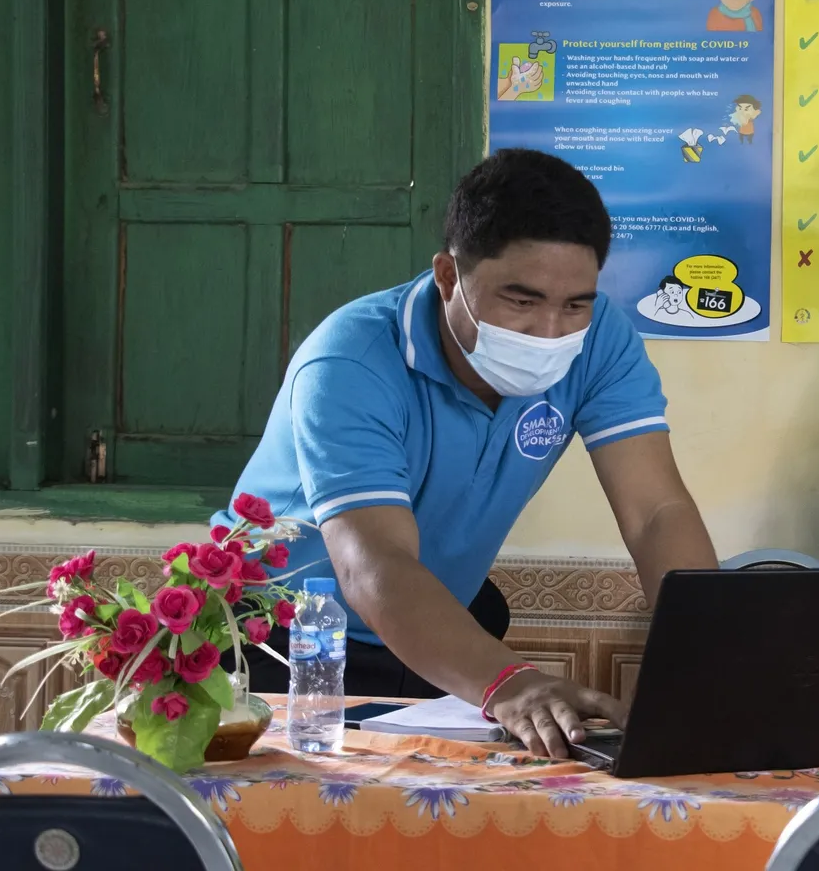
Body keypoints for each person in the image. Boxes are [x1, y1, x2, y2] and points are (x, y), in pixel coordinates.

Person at [215, 148, 719, 757]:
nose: (551, 332)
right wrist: (511, 683)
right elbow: (373, 564)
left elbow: (655, 511)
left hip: (439, 636)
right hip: (283, 647)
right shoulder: (349, 361)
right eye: (521, 301)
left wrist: (707, 663)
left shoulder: (602, 339)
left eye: (575, 304)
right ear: (448, 276)